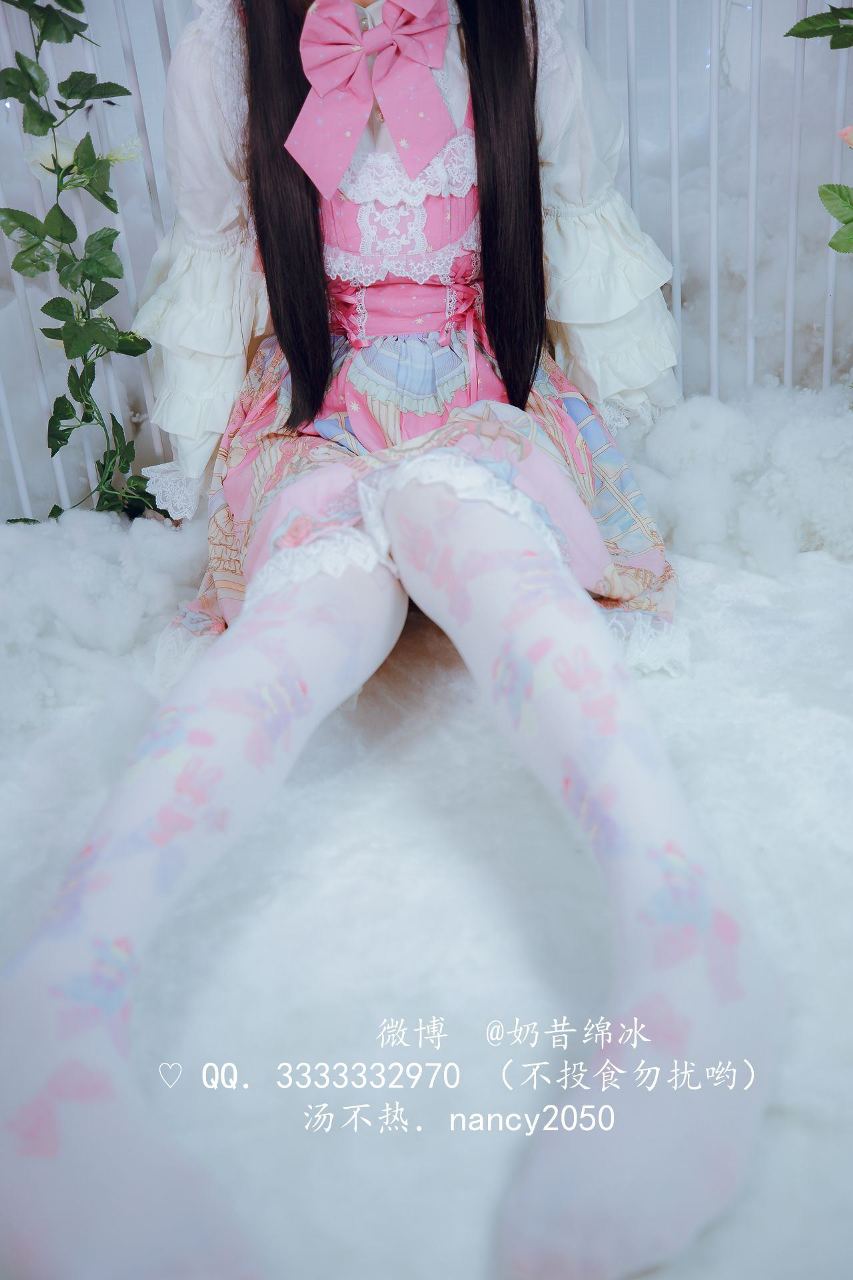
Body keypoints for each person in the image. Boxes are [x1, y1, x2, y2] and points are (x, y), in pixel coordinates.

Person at [0, 2, 787, 1277]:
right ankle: (59, 992)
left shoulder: (515, 28)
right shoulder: (225, 50)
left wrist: (592, 437)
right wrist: (214, 470)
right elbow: (218, 257)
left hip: (478, 394)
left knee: (460, 530)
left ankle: (687, 938)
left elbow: (571, 221)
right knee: (296, 618)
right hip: (319, 409)